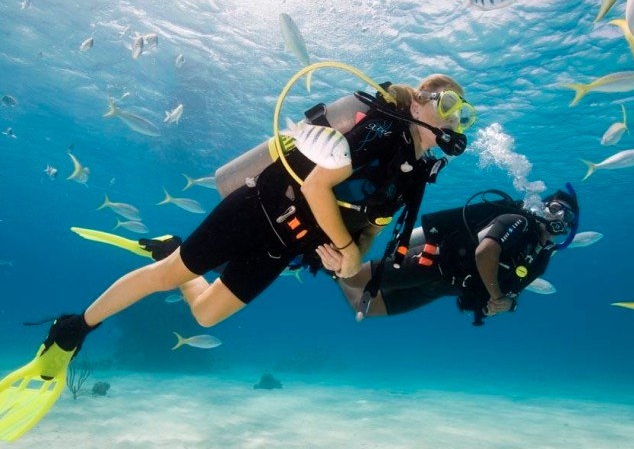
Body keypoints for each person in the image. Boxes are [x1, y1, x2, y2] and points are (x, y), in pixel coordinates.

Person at [0, 71, 477, 441]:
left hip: (285, 244)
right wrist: (349, 249)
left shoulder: (415, 172)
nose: (455, 120)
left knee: (206, 314)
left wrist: (352, 260)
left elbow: (371, 225)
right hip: (258, 207)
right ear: (417, 101)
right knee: (167, 276)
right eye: (448, 105)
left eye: (464, 114)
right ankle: (73, 329)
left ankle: (172, 246)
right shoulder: (381, 132)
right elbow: (315, 184)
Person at [316, 187, 580, 326]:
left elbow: (515, 290)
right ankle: (329, 254)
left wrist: (507, 305)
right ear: (542, 207)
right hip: (433, 263)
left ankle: (335, 267)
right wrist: (497, 296)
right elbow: (486, 251)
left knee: (368, 310)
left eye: (566, 216)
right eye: (555, 208)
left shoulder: (542, 256)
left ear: (569, 228)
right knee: (354, 280)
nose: (559, 217)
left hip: (444, 288)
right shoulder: (517, 221)